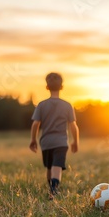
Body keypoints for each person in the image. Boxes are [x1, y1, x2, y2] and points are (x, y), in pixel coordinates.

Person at [29, 72, 79, 200]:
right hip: (61, 142)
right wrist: (75, 141)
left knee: (50, 167)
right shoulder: (67, 105)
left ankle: (52, 190)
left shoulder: (41, 105)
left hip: (46, 142)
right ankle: (54, 190)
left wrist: (33, 140)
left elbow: (35, 124)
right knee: (57, 166)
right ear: (62, 86)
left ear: (47, 87)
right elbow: (73, 126)